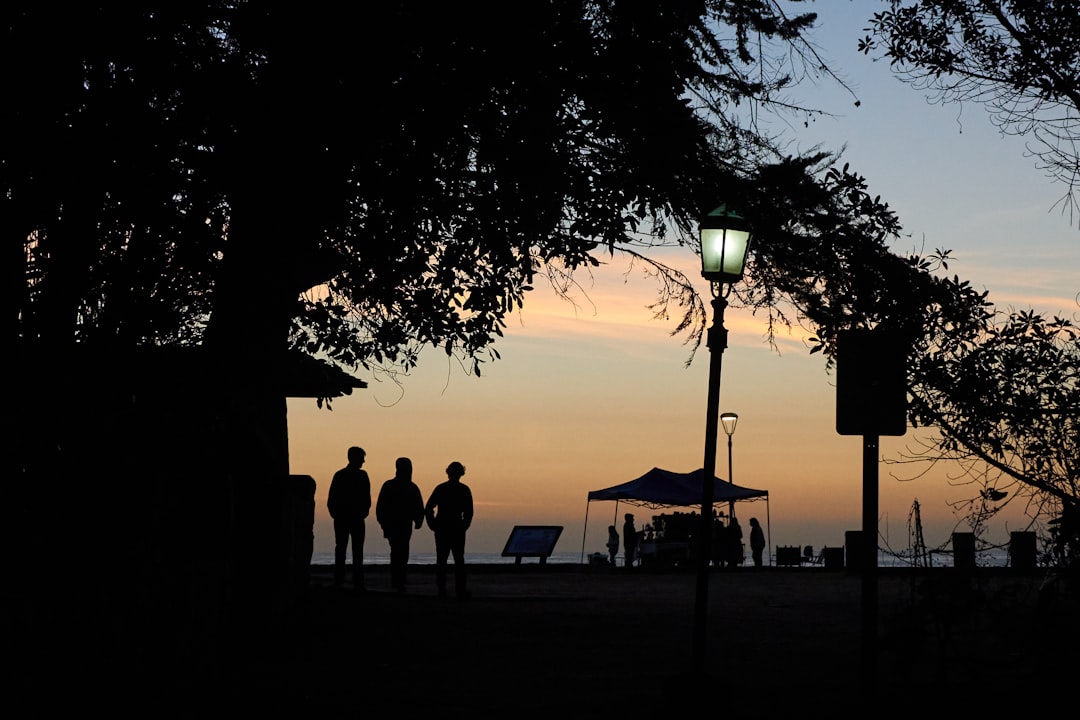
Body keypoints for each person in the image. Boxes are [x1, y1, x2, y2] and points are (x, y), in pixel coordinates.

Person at [376, 457, 425, 592]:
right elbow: (381, 508)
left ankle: (398, 578)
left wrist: (418, 520)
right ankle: (398, 578)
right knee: (400, 551)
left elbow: (418, 506)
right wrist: (418, 520)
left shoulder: (395, 486)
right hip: (397, 524)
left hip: (400, 524)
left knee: (400, 551)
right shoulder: (404, 486)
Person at [425, 461, 473, 599]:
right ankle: (459, 590)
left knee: (444, 560)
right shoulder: (463, 489)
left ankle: (443, 589)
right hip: (453, 528)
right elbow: (469, 512)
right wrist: (464, 525)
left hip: (445, 528)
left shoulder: (442, 488)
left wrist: (433, 524)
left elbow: (428, 508)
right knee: (457, 560)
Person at [327, 446, 371, 591]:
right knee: (355, 550)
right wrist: (362, 513)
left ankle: (340, 580)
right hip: (352, 518)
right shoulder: (361, 476)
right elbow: (366, 498)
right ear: (355, 458)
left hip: (344, 518)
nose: (363, 461)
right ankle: (356, 581)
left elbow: (331, 499)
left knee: (342, 549)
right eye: (362, 458)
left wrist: (336, 514)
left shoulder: (340, 475)